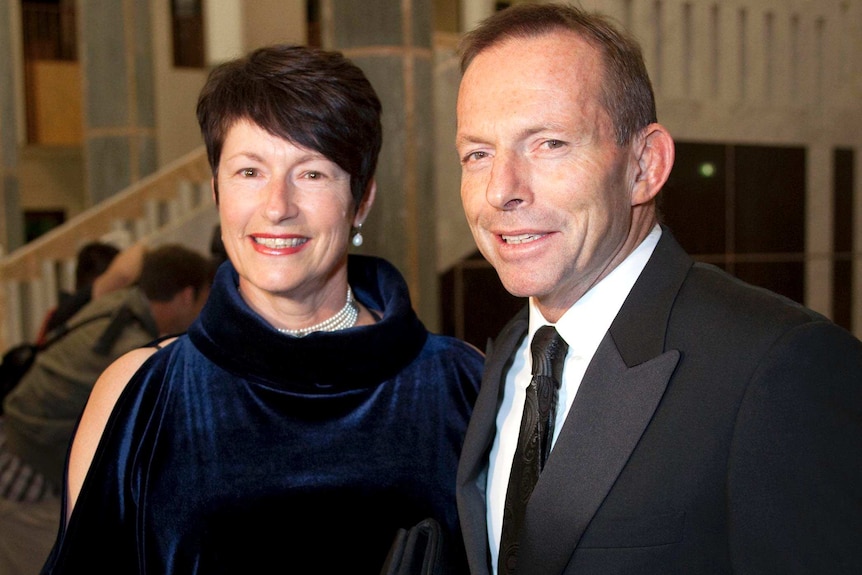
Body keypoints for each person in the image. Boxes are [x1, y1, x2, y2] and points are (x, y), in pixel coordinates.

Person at [41, 44, 483, 574]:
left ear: (361, 199)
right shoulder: (139, 395)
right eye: (249, 172)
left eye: (312, 173)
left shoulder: (463, 384)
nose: (277, 207)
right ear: (217, 191)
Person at [453, 4, 862, 575]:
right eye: (478, 153)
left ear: (645, 165)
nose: (501, 190)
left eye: (548, 144)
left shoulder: (781, 367)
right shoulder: (509, 353)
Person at [0, 243, 212, 575]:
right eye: (204, 300)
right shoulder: (131, 351)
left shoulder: (116, 305)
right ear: (187, 296)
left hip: (15, 448)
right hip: (26, 477)